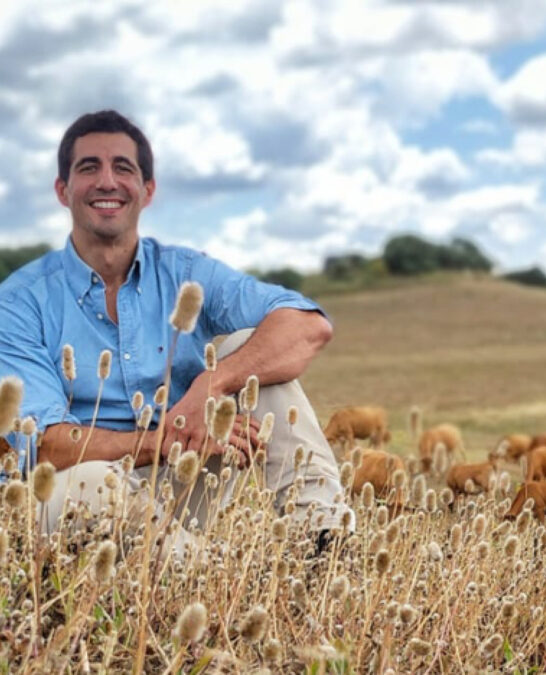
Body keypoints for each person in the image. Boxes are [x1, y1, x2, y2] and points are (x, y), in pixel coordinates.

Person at [0, 110, 353, 551]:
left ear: (147, 191)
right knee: (88, 483)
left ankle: (324, 542)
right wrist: (160, 442)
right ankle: (211, 576)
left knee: (252, 351)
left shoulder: (186, 273)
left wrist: (212, 384)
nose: (107, 181)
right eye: (89, 167)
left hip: (182, 481)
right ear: (62, 190)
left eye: (123, 168)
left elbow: (307, 325)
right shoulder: (18, 303)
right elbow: (45, 446)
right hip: (73, 495)